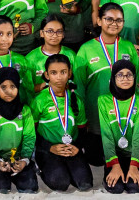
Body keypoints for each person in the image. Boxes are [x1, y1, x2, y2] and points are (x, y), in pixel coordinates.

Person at [73, 4, 139, 151]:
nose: (114, 24)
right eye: (109, 19)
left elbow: (137, 83)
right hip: (95, 117)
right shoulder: (86, 50)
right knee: (98, 159)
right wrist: (83, 120)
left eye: (119, 20)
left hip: (124, 118)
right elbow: (79, 88)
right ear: (98, 21)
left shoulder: (128, 47)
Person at [30, 53, 93, 192]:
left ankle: (69, 167)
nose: (59, 77)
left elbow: (83, 130)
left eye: (63, 72)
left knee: (85, 183)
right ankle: (42, 167)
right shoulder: (39, 101)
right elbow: (31, 133)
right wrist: (49, 147)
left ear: (69, 73)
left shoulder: (76, 100)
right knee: (60, 183)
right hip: (48, 149)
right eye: (54, 73)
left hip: (71, 147)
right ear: (47, 75)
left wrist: (77, 146)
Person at [0, 66, 38, 194]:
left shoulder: (25, 110)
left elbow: (29, 138)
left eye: (13, 87)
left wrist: (24, 160)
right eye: (3, 87)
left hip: (19, 160)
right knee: (0, 188)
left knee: (29, 187)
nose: (8, 91)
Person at [97, 59, 139, 193]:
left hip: (134, 153)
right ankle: (112, 166)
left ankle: (134, 167)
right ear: (113, 78)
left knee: (135, 188)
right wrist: (114, 165)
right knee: (116, 188)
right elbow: (106, 134)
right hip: (114, 153)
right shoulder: (103, 100)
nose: (125, 78)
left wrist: (134, 165)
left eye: (129, 75)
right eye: (120, 75)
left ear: (135, 77)